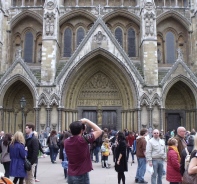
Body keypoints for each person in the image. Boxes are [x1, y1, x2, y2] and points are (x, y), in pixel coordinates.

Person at [64, 118, 102, 184]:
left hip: (70, 174)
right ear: (82, 131)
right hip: (81, 175)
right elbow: (99, 131)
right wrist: (87, 121)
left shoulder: (66, 141)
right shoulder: (83, 140)